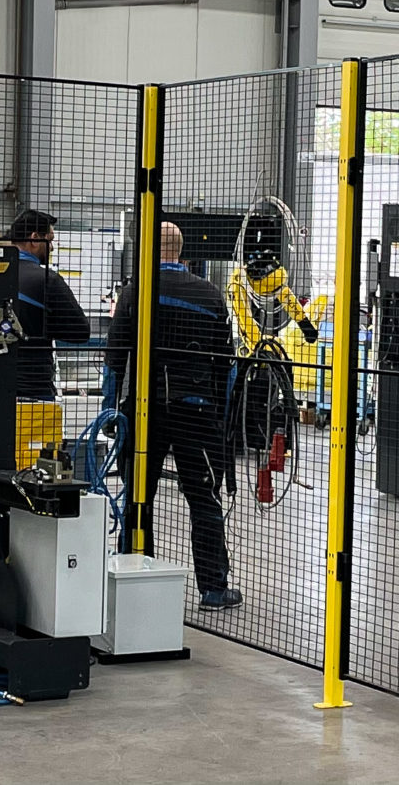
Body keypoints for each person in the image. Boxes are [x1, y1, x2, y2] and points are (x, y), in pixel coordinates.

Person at [108, 223, 242, 611]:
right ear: (182, 252)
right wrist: (222, 419)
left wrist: (111, 413)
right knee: (203, 498)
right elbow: (226, 366)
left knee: (138, 496)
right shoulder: (210, 294)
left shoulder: (135, 291)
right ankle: (213, 589)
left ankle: (136, 577)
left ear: (149, 249)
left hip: (144, 410)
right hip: (196, 412)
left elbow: (114, 361)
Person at [6, 208, 91, 401]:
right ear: (35, 238)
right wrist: (44, 325)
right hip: (34, 390)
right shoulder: (46, 280)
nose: (51, 248)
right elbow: (81, 331)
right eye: (50, 240)